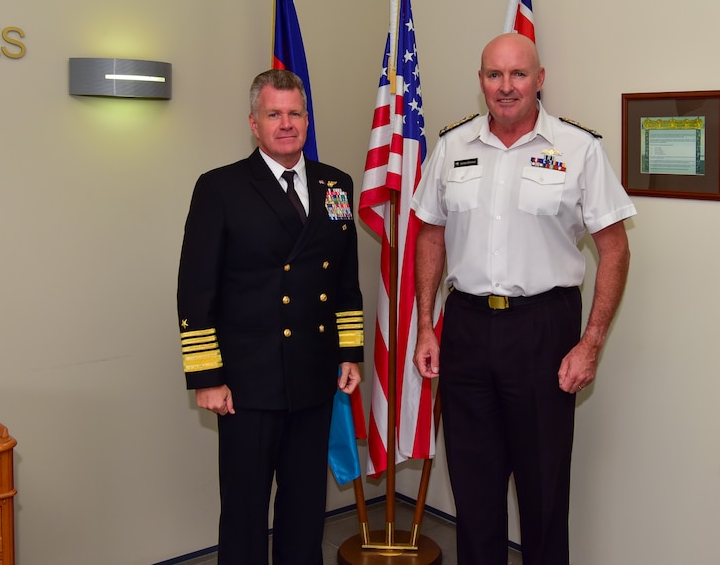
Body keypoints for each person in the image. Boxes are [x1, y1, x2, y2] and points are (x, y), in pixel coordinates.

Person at [412, 33, 635, 565]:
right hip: (465, 327)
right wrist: (427, 324)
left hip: (544, 331)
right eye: (494, 75)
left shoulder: (579, 149)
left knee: (543, 491)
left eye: (518, 74)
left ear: (540, 79)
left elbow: (616, 250)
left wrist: (591, 343)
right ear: (482, 81)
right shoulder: (453, 146)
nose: (506, 87)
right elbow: (430, 235)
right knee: (474, 488)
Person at [177, 69, 364, 565]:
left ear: (307, 119)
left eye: (295, 113)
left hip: (313, 375)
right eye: (274, 114)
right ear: (254, 124)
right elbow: (196, 293)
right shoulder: (220, 188)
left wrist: (350, 353)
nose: (286, 124)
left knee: (305, 510)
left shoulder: (335, 184)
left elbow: (345, 282)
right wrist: (207, 377)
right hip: (246, 383)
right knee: (244, 511)